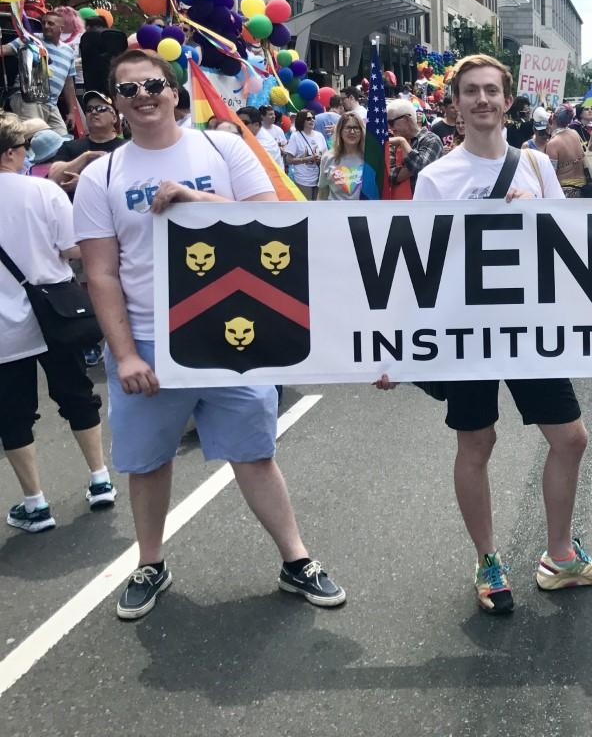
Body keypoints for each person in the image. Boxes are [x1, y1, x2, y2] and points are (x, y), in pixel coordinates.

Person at [75, 51, 344, 620]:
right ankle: (150, 563)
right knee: (148, 463)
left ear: (175, 91)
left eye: (153, 84)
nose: (142, 95)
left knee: (255, 453)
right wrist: (123, 355)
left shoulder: (223, 149)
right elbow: (100, 272)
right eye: (127, 90)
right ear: (116, 104)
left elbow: (274, 224)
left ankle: (296, 559)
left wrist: (197, 201)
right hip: (149, 341)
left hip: (230, 334)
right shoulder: (100, 175)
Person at [390, 53, 592, 614]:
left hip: (529, 322)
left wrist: (539, 210)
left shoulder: (537, 166)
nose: (483, 100)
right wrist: (391, 343)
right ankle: (488, 559)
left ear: (508, 101)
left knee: (571, 438)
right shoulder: (436, 178)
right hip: (467, 327)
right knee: (477, 442)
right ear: (457, 103)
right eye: (472, 91)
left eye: (492, 90)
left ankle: (560, 556)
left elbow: (570, 245)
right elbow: (420, 263)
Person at [0, 114, 114, 532]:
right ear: (12, 153)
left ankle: (35, 503)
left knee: (13, 413)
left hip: (4, 329)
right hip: (55, 315)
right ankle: (100, 479)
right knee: (77, 394)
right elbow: (72, 249)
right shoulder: (43, 190)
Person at [47, 92, 127, 197]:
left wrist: (85, 184)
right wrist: (86, 157)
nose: (93, 112)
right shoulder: (69, 147)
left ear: (114, 117)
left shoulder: (126, 148)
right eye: (89, 109)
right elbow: (53, 180)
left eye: (101, 108)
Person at [386, 96, 444, 192]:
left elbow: (421, 168)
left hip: (424, 203)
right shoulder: (393, 141)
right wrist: (413, 165)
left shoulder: (432, 140)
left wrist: (402, 142)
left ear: (406, 119)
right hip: (399, 204)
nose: (389, 127)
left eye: (391, 122)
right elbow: (390, 176)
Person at [318, 111, 366, 201]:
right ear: (340, 131)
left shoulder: (369, 158)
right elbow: (322, 192)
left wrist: (400, 140)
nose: (352, 132)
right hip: (334, 213)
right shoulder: (327, 158)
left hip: (362, 213)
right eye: (348, 128)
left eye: (356, 128)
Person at [283, 109, 325, 200]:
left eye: (313, 118)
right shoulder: (296, 136)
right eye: (309, 118)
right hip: (303, 179)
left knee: (317, 207)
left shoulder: (319, 136)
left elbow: (325, 155)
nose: (312, 120)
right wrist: (307, 159)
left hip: (318, 178)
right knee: (307, 206)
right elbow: (289, 159)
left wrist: (320, 158)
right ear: (302, 121)